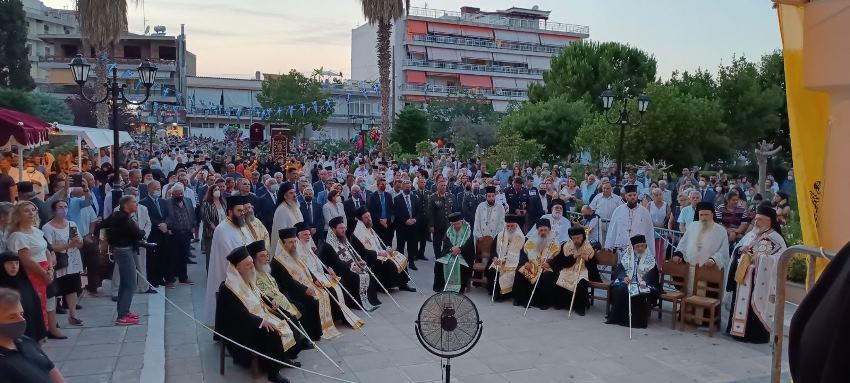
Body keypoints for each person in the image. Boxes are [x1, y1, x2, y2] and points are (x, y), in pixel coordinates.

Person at [214, 246, 298, 383]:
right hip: (240, 328)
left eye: (252, 263)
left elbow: (260, 295)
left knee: (285, 318)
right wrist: (261, 322)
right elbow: (239, 314)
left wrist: (272, 302)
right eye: (247, 265)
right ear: (237, 268)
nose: (252, 266)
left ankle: (283, 359)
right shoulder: (228, 288)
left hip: (255, 318)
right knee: (271, 332)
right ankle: (273, 372)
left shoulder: (248, 277)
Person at [726, 205, 787, 344]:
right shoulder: (752, 234)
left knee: (753, 309)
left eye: (760, 219)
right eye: (756, 219)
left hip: (759, 282)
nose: (756, 222)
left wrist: (759, 258)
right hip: (743, 278)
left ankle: (754, 335)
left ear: (769, 221)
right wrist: (741, 249)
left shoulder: (777, 239)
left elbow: (780, 261)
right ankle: (737, 331)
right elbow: (738, 248)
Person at [293, 222, 364, 330]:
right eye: (305, 235)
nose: (308, 237)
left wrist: (328, 268)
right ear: (298, 236)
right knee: (332, 289)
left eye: (309, 235)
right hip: (310, 279)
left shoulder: (307, 246)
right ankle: (336, 316)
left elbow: (317, 261)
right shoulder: (296, 250)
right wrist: (315, 279)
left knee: (340, 283)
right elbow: (303, 269)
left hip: (320, 274)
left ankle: (340, 315)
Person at [272, 228, 339, 340]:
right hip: (292, 292)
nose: (293, 245)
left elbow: (306, 269)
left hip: (305, 286)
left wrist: (314, 279)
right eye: (290, 242)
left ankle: (323, 328)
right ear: (283, 243)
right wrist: (304, 289)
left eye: (294, 241)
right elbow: (288, 282)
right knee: (310, 300)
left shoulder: (295, 254)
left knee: (325, 292)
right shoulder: (278, 262)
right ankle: (313, 334)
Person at [6, 202, 61, 338]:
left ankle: (49, 329)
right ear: (18, 214)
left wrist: (50, 268)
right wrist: (44, 274)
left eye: (33, 210)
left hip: (45, 269)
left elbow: (46, 250)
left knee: (49, 300)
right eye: (27, 211)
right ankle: (38, 333)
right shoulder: (18, 236)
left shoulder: (36, 230)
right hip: (32, 272)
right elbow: (27, 260)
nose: (32, 213)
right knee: (35, 303)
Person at [249, 239, 311, 348]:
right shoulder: (251, 275)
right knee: (289, 315)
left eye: (267, 255)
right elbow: (256, 294)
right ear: (254, 258)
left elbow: (277, 288)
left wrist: (287, 298)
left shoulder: (265, 270)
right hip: (268, 305)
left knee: (300, 306)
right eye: (262, 256)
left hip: (279, 300)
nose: (267, 259)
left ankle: (303, 340)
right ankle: (295, 347)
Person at [203, 195, 253, 325]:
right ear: (230, 211)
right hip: (230, 275)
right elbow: (229, 257)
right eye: (239, 211)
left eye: (243, 211)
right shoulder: (222, 229)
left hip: (247, 271)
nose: (242, 213)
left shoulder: (242, 225)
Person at [0, 287, 66, 383]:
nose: (21, 320)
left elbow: (50, 368)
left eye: (21, 314)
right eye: (12, 317)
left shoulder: (24, 341)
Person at [100, 196, 146, 326]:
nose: (136, 205)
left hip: (121, 250)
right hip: (124, 250)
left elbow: (102, 225)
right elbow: (139, 233)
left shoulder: (116, 216)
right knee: (130, 284)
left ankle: (124, 311)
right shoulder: (125, 219)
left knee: (125, 283)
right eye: (134, 202)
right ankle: (122, 316)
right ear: (126, 204)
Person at [320, 217, 381, 311]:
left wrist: (358, 261)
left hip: (348, 267)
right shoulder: (328, 245)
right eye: (340, 228)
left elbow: (351, 253)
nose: (343, 230)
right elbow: (337, 263)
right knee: (356, 276)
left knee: (368, 271)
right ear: (333, 230)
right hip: (340, 271)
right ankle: (357, 304)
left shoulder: (343, 239)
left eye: (344, 228)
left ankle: (371, 300)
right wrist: (352, 267)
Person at [672, 202, 730, 295]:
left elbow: (723, 252)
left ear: (712, 214)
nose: (704, 217)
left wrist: (714, 259)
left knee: (705, 299)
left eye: (706, 214)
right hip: (691, 269)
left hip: (709, 271)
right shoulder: (692, 226)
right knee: (688, 294)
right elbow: (683, 243)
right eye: (701, 215)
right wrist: (678, 254)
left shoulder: (720, 230)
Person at [350, 207, 413, 292]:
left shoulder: (369, 227)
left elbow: (378, 243)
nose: (369, 219)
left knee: (399, 256)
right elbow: (362, 252)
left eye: (369, 216)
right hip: (369, 257)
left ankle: (403, 284)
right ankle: (386, 286)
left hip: (379, 253)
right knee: (389, 263)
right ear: (361, 220)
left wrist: (387, 249)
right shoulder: (357, 233)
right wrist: (378, 253)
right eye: (366, 217)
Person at [42, 200, 84, 327]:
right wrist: (69, 244)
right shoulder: (47, 227)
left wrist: (77, 242)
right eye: (60, 207)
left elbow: (79, 243)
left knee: (72, 288)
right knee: (55, 290)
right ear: (54, 210)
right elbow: (50, 247)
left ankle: (73, 314)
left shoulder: (71, 224)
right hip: (58, 261)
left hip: (72, 260)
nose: (63, 209)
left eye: (65, 207)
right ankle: (53, 320)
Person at [605, 235, 658, 328]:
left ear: (646, 246)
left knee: (636, 292)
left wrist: (644, 282)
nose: (640, 248)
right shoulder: (628, 255)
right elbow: (620, 269)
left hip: (643, 284)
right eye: (638, 246)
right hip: (627, 281)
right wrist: (624, 277)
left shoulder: (650, 259)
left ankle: (636, 322)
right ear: (633, 247)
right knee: (620, 289)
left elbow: (652, 275)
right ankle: (618, 318)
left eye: (642, 246)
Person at [551, 227, 600, 316]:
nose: (576, 240)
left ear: (583, 237)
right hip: (569, 269)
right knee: (560, 277)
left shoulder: (588, 246)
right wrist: (573, 256)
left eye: (578, 238)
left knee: (581, 282)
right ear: (571, 238)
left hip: (582, 269)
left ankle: (579, 307)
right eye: (574, 238)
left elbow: (593, 265)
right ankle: (562, 304)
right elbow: (561, 262)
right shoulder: (566, 246)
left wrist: (588, 259)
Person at [512, 219, 560, 309]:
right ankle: (521, 300)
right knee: (521, 272)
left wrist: (550, 264)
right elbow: (524, 253)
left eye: (545, 230)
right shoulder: (532, 241)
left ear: (549, 230)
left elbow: (557, 258)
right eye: (541, 230)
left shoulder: (554, 241)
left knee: (547, 276)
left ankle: (542, 303)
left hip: (546, 267)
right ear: (537, 230)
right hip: (532, 266)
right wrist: (525, 262)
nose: (543, 232)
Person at [0, 252, 47, 342]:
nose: (14, 266)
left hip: (30, 329)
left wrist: (41, 332)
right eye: (10, 263)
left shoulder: (24, 282)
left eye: (17, 263)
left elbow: (36, 306)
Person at [604, 185, 655, 259]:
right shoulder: (618, 210)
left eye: (634, 195)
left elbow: (649, 232)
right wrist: (608, 245)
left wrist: (651, 252)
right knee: (621, 268)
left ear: (637, 196)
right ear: (625, 196)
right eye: (630, 195)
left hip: (638, 248)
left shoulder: (644, 212)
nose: (632, 197)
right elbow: (612, 229)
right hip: (622, 246)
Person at [484, 214, 525, 302]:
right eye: (508, 226)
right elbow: (493, 249)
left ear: (516, 225)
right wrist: (495, 257)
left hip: (514, 262)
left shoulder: (521, 237)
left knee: (508, 275)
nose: (510, 228)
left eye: (512, 226)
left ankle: (503, 295)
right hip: (499, 259)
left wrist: (506, 259)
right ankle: (494, 291)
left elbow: (521, 253)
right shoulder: (500, 235)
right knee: (493, 270)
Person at [163, 184, 196, 287]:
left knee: (184, 256)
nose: (180, 195)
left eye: (181, 193)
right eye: (177, 194)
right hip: (173, 233)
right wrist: (167, 230)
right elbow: (163, 217)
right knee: (171, 257)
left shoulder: (188, 200)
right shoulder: (167, 203)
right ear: (172, 194)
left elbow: (192, 213)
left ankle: (183, 277)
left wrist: (193, 225)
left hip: (186, 233)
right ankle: (169, 279)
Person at [433, 213, 475, 293]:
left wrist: (460, 249)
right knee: (439, 263)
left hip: (463, 254)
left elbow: (470, 245)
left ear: (462, 221)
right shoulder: (449, 230)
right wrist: (452, 248)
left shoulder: (468, 230)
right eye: (454, 224)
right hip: (450, 252)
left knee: (459, 264)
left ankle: (460, 288)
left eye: (457, 224)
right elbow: (446, 243)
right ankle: (442, 286)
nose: (456, 226)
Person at [139, 181, 168, 288]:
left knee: (162, 257)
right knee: (152, 259)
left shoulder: (163, 201)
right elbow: (147, 217)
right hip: (153, 233)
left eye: (159, 188)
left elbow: (167, 215)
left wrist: (165, 224)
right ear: (149, 189)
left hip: (163, 233)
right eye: (156, 188)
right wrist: (158, 224)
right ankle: (152, 280)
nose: (158, 190)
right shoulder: (143, 202)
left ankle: (160, 277)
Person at [392, 180, 420, 270]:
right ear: (402, 187)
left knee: (411, 246)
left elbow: (419, 211)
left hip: (413, 226)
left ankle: (411, 262)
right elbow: (397, 213)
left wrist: (415, 219)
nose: (408, 188)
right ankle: (401, 264)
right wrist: (405, 221)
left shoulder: (414, 197)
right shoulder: (397, 199)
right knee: (401, 246)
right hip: (402, 227)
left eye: (409, 187)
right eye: (406, 187)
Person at [270, 182, 303, 256]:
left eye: (294, 192)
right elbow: (281, 235)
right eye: (291, 193)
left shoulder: (295, 206)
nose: (294, 195)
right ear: (284, 196)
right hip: (288, 249)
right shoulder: (281, 210)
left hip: (299, 244)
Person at [199, 181, 226, 270]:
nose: (218, 191)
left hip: (223, 233)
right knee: (210, 256)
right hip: (211, 233)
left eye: (218, 189)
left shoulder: (223, 202)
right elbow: (206, 219)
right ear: (211, 192)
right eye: (215, 189)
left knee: (222, 256)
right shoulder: (206, 204)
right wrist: (216, 229)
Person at [473, 186, 505, 259]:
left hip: (494, 240)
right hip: (481, 239)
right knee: (481, 263)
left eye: (493, 196)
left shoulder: (500, 208)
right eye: (489, 196)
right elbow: (477, 222)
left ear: (495, 196)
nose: (491, 198)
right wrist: (480, 237)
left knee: (491, 262)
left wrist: (494, 238)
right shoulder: (480, 206)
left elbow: (501, 224)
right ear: (486, 196)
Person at [427, 178, 455, 260]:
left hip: (449, 225)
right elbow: (430, 213)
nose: (443, 187)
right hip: (437, 225)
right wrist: (431, 225)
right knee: (437, 243)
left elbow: (455, 210)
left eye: (444, 185)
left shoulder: (451, 196)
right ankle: (438, 258)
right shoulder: (432, 197)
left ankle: (445, 257)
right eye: (441, 185)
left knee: (448, 243)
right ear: (437, 186)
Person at [367, 178, 394, 247]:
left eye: (385, 184)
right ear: (377, 185)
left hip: (387, 223)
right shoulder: (372, 196)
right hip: (377, 224)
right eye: (382, 184)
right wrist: (380, 220)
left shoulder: (388, 196)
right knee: (378, 243)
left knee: (388, 242)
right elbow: (371, 210)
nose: (384, 186)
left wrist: (386, 219)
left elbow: (391, 209)